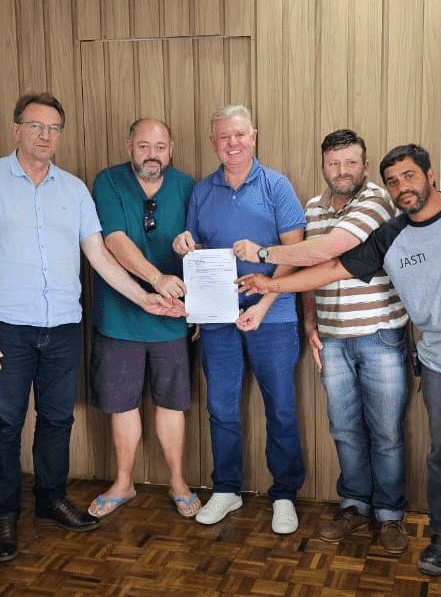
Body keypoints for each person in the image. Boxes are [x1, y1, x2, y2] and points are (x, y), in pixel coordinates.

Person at [237, 143, 441, 586]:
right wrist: (271, 286)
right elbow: (332, 270)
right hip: (440, 364)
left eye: (409, 176)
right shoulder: (390, 235)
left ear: (430, 175)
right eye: (394, 181)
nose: (403, 187)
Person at [0, 93, 184, 561]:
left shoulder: (74, 189)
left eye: (53, 128)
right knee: (5, 422)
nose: (45, 136)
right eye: (35, 126)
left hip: (62, 324)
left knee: (57, 419)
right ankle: (4, 515)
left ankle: (50, 500)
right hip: (7, 325)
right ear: (16, 129)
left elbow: (99, 255)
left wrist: (145, 297)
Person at [232, 129, 410, 552]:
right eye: (334, 163)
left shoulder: (377, 201)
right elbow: (308, 274)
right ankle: (353, 504)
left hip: (380, 335)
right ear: (323, 166)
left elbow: (327, 251)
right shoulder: (313, 206)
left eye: (350, 162)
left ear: (365, 166)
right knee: (344, 429)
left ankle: (389, 514)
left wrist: (263, 253)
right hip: (331, 339)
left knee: (386, 432)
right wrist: (310, 324)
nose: (342, 171)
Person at [171, 105, 306, 534]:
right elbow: (195, 252)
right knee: (220, 407)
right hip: (217, 319)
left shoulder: (277, 185)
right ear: (214, 142)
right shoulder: (201, 191)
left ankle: (284, 494)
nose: (233, 143)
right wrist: (183, 243)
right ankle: (226, 489)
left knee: (280, 407)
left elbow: (295, 251)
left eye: (240, 135)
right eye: (224, 137)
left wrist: (262, 305)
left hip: (274, 317)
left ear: (254, 136)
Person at [86, 118, 201, 519]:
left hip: (172, 316)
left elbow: (199, 247)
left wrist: (198, 305)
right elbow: (114, 240)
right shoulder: (108, 181)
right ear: (129, 146)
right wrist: (155, 278)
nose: (152, 155)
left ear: (171, 149)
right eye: (143, 146)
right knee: (122, 404)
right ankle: (123, 483)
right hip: (119, 316)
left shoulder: (187, 187)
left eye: (160, 147)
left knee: (172, 403)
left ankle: (178, 482)